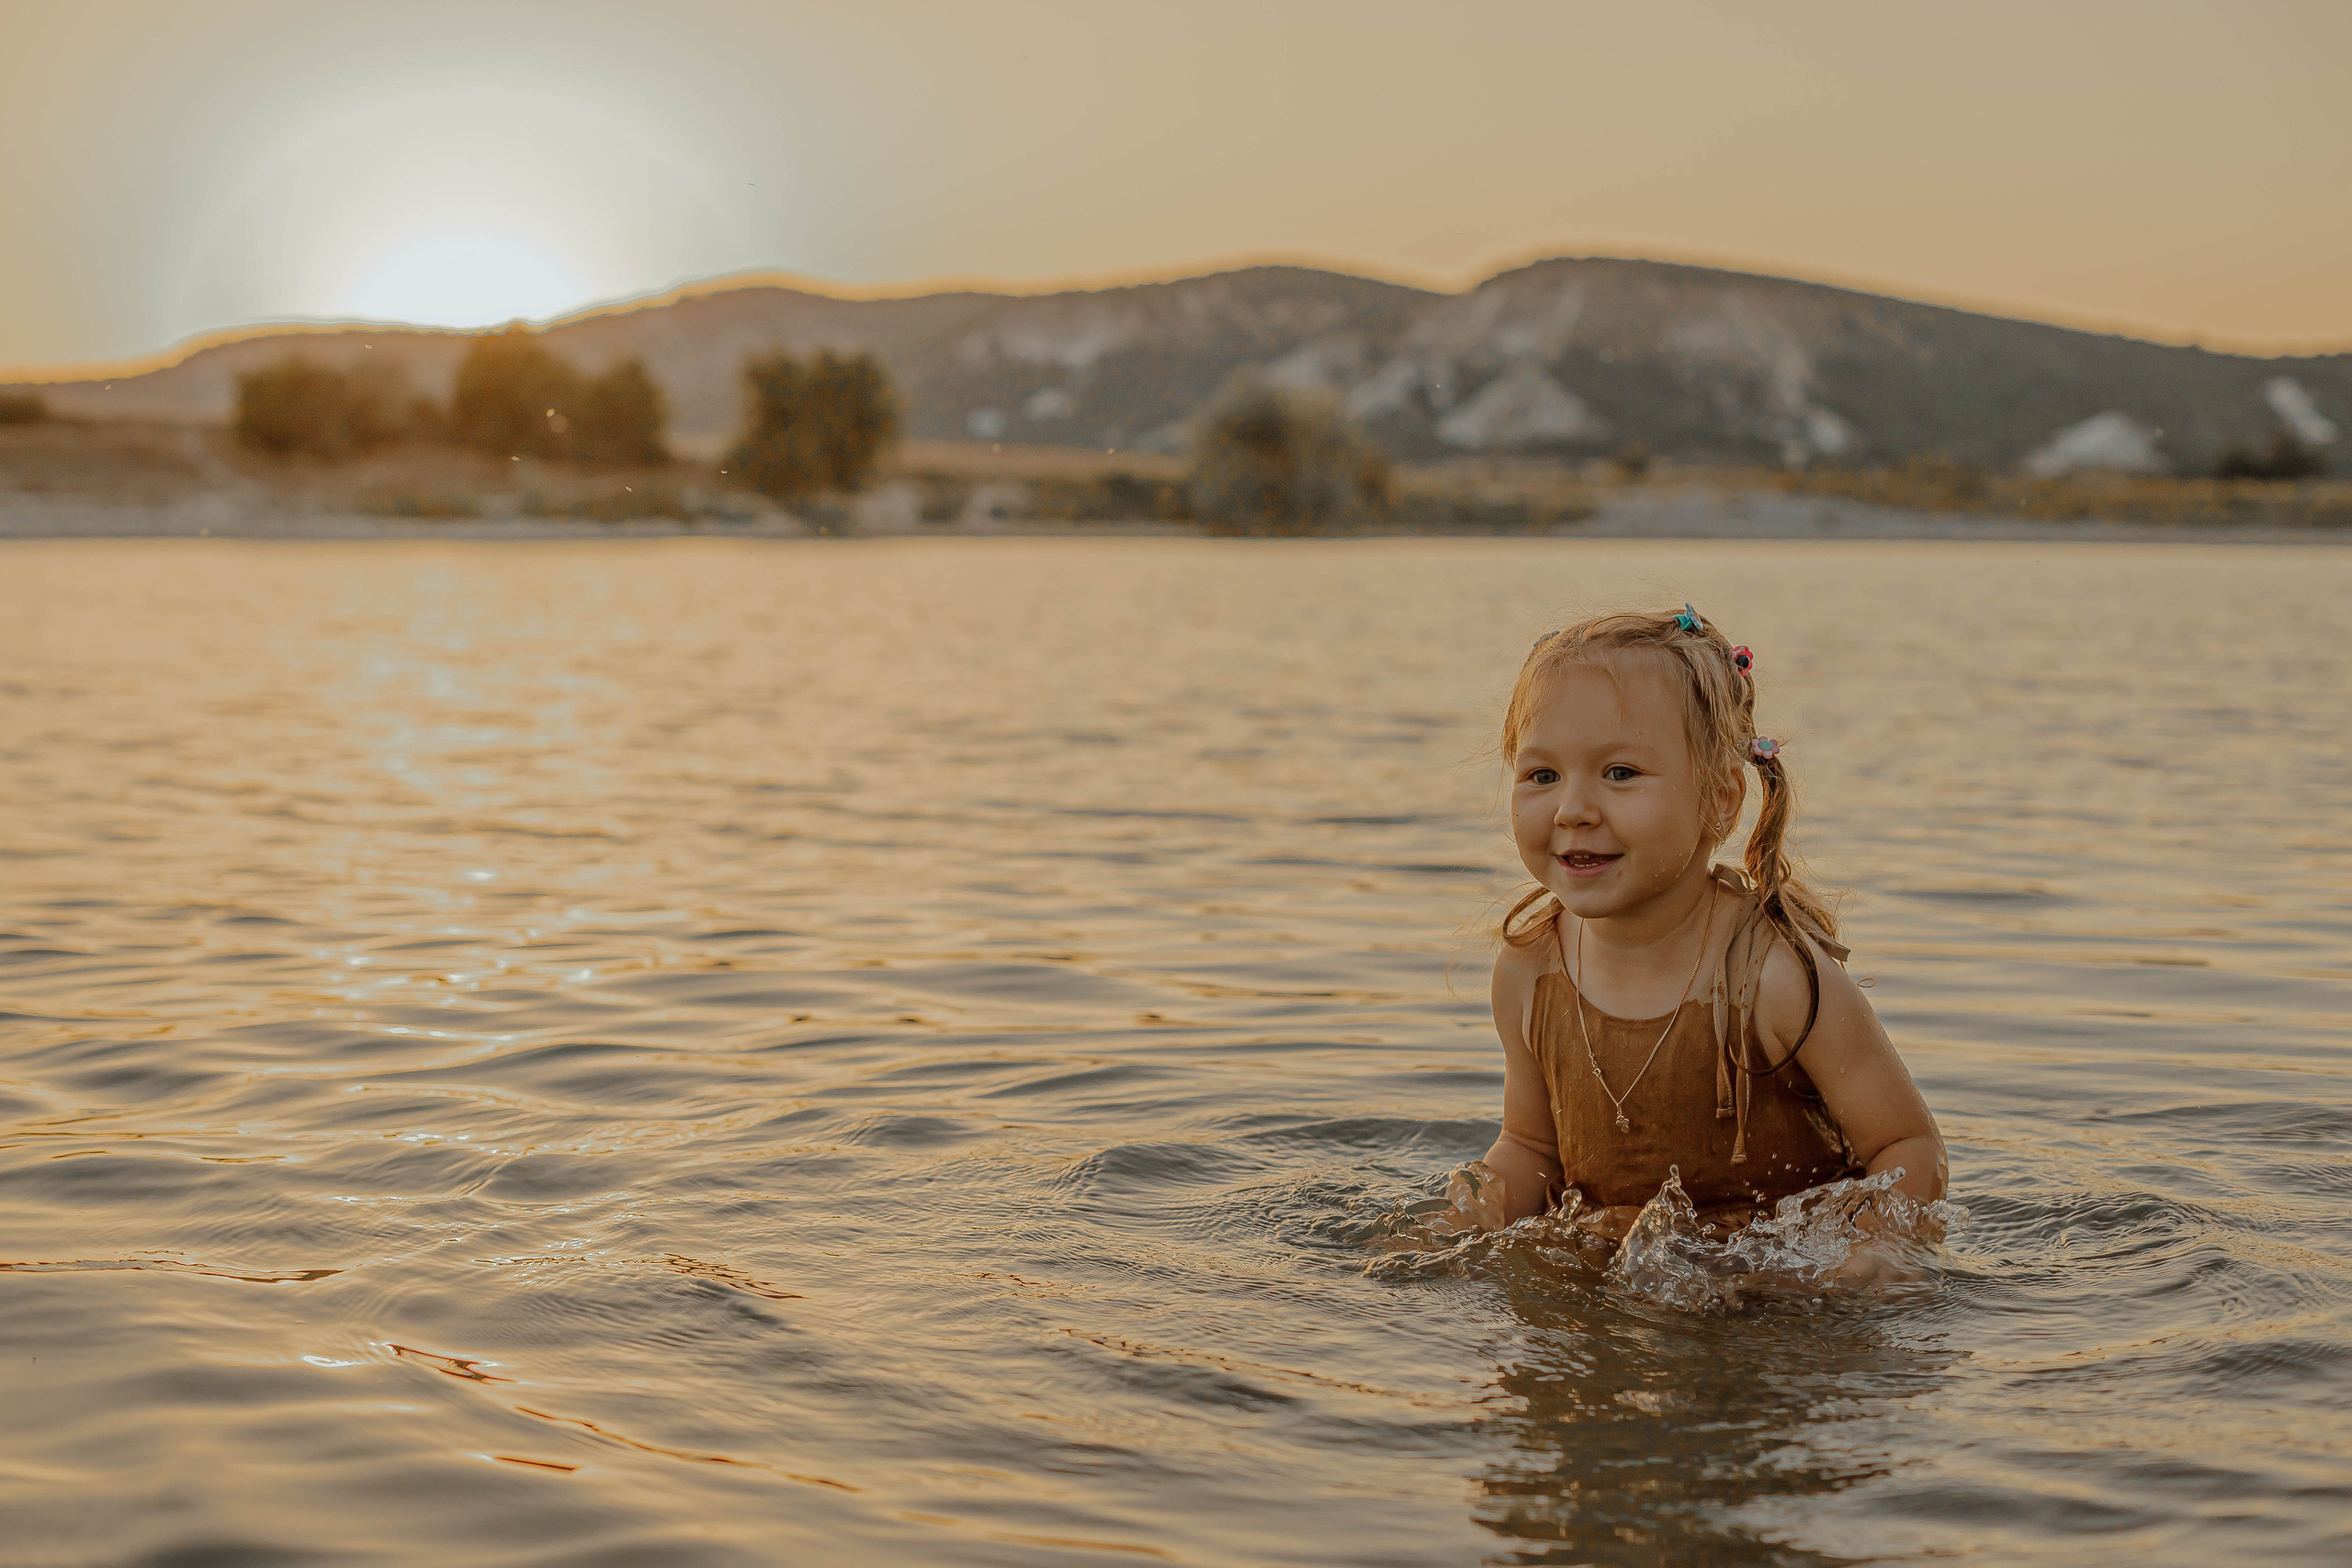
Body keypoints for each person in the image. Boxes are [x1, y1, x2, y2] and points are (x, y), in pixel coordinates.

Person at [1474, 604, 1944, 1273]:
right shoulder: (1529, 969)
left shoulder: (1773, 978)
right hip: (1615, 1293)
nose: (1573, 808)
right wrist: (1458, 1221)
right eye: (1542, 775)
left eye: (1620, 773)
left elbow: (1910, 1147)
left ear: (1721, 799)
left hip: (1784, 1308)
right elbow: (1528, 1147)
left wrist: (1872, 1253)